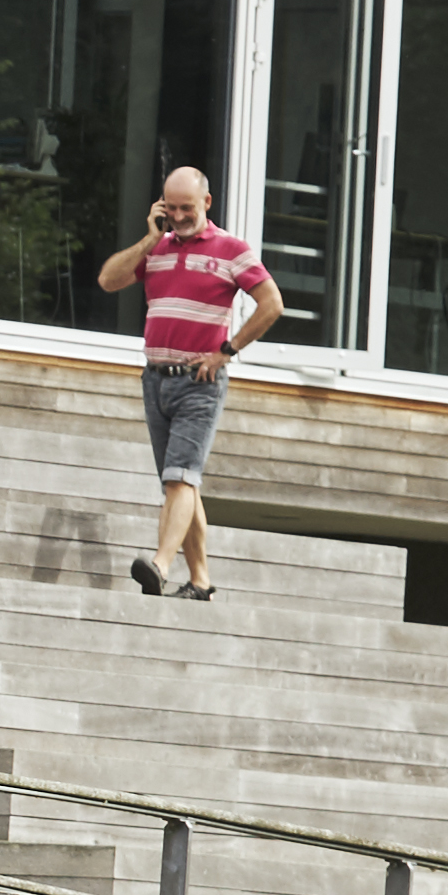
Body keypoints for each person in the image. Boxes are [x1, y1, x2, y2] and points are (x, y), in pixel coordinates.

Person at [88, 162, 283, 599]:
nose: (178, 216)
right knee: (182, 481)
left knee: (179, 479)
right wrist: (149, 238)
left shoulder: (231, 250)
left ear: (206, 202)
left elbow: (272, 303)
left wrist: (227, 351)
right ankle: (200, 580)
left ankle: (159, 565)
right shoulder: (156, 248)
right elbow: (108, 280)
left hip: (199, 381)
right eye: (170, 208)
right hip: (156, 379)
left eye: (187, 208)